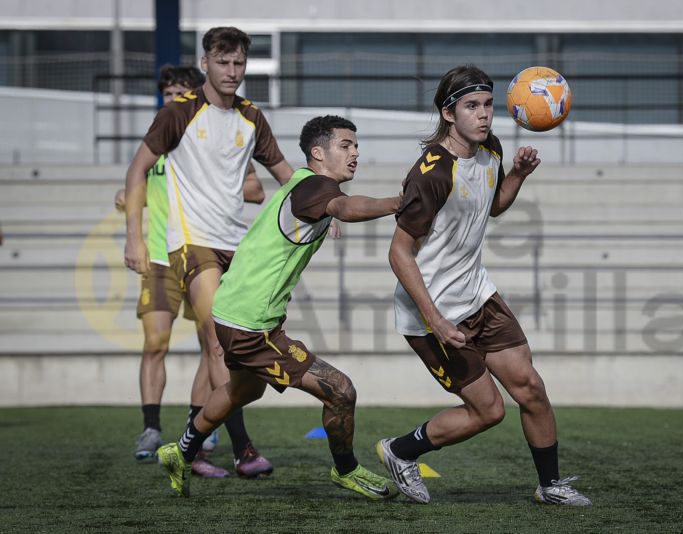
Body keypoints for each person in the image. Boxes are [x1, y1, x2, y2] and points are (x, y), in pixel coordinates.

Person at [375, 65, 592, 506]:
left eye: (489, 104)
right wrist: (434, 319)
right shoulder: (431, 173)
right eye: (472, 106)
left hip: (478, 296)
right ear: (448, 113)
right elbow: (399, 252)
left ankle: (550, 486)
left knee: (530, 387)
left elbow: (491, 206)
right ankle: (400, 451)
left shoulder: (490, 148)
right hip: (431, 314)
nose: (485, 114)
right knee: (488, 411)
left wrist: (518, 175)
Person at [156, 115, 401, 500]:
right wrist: (400, 202)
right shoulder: (314, 188)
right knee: (340, 390)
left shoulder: (304, 186)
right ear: (317, 153)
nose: (355, 153)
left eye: (356, 145)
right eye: (345, 146)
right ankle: (347, 470)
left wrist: (331, 212)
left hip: (235, 312)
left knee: (242, 391)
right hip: (250, 325)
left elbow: (331, 207)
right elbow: (349, 208)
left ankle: (181, 451)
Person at [124, 28, 284, 479]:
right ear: (207, 63)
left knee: (222, 348)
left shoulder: (251, 118)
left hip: (236, 247)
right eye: (223, 62)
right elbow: (135, 172)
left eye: (239, 64)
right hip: (184, 247)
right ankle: (234, 447)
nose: (232, 72)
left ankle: (192, 445)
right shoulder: (177, 116)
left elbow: (278, 176)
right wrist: (133, 237)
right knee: (196, 341)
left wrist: (323, 203)